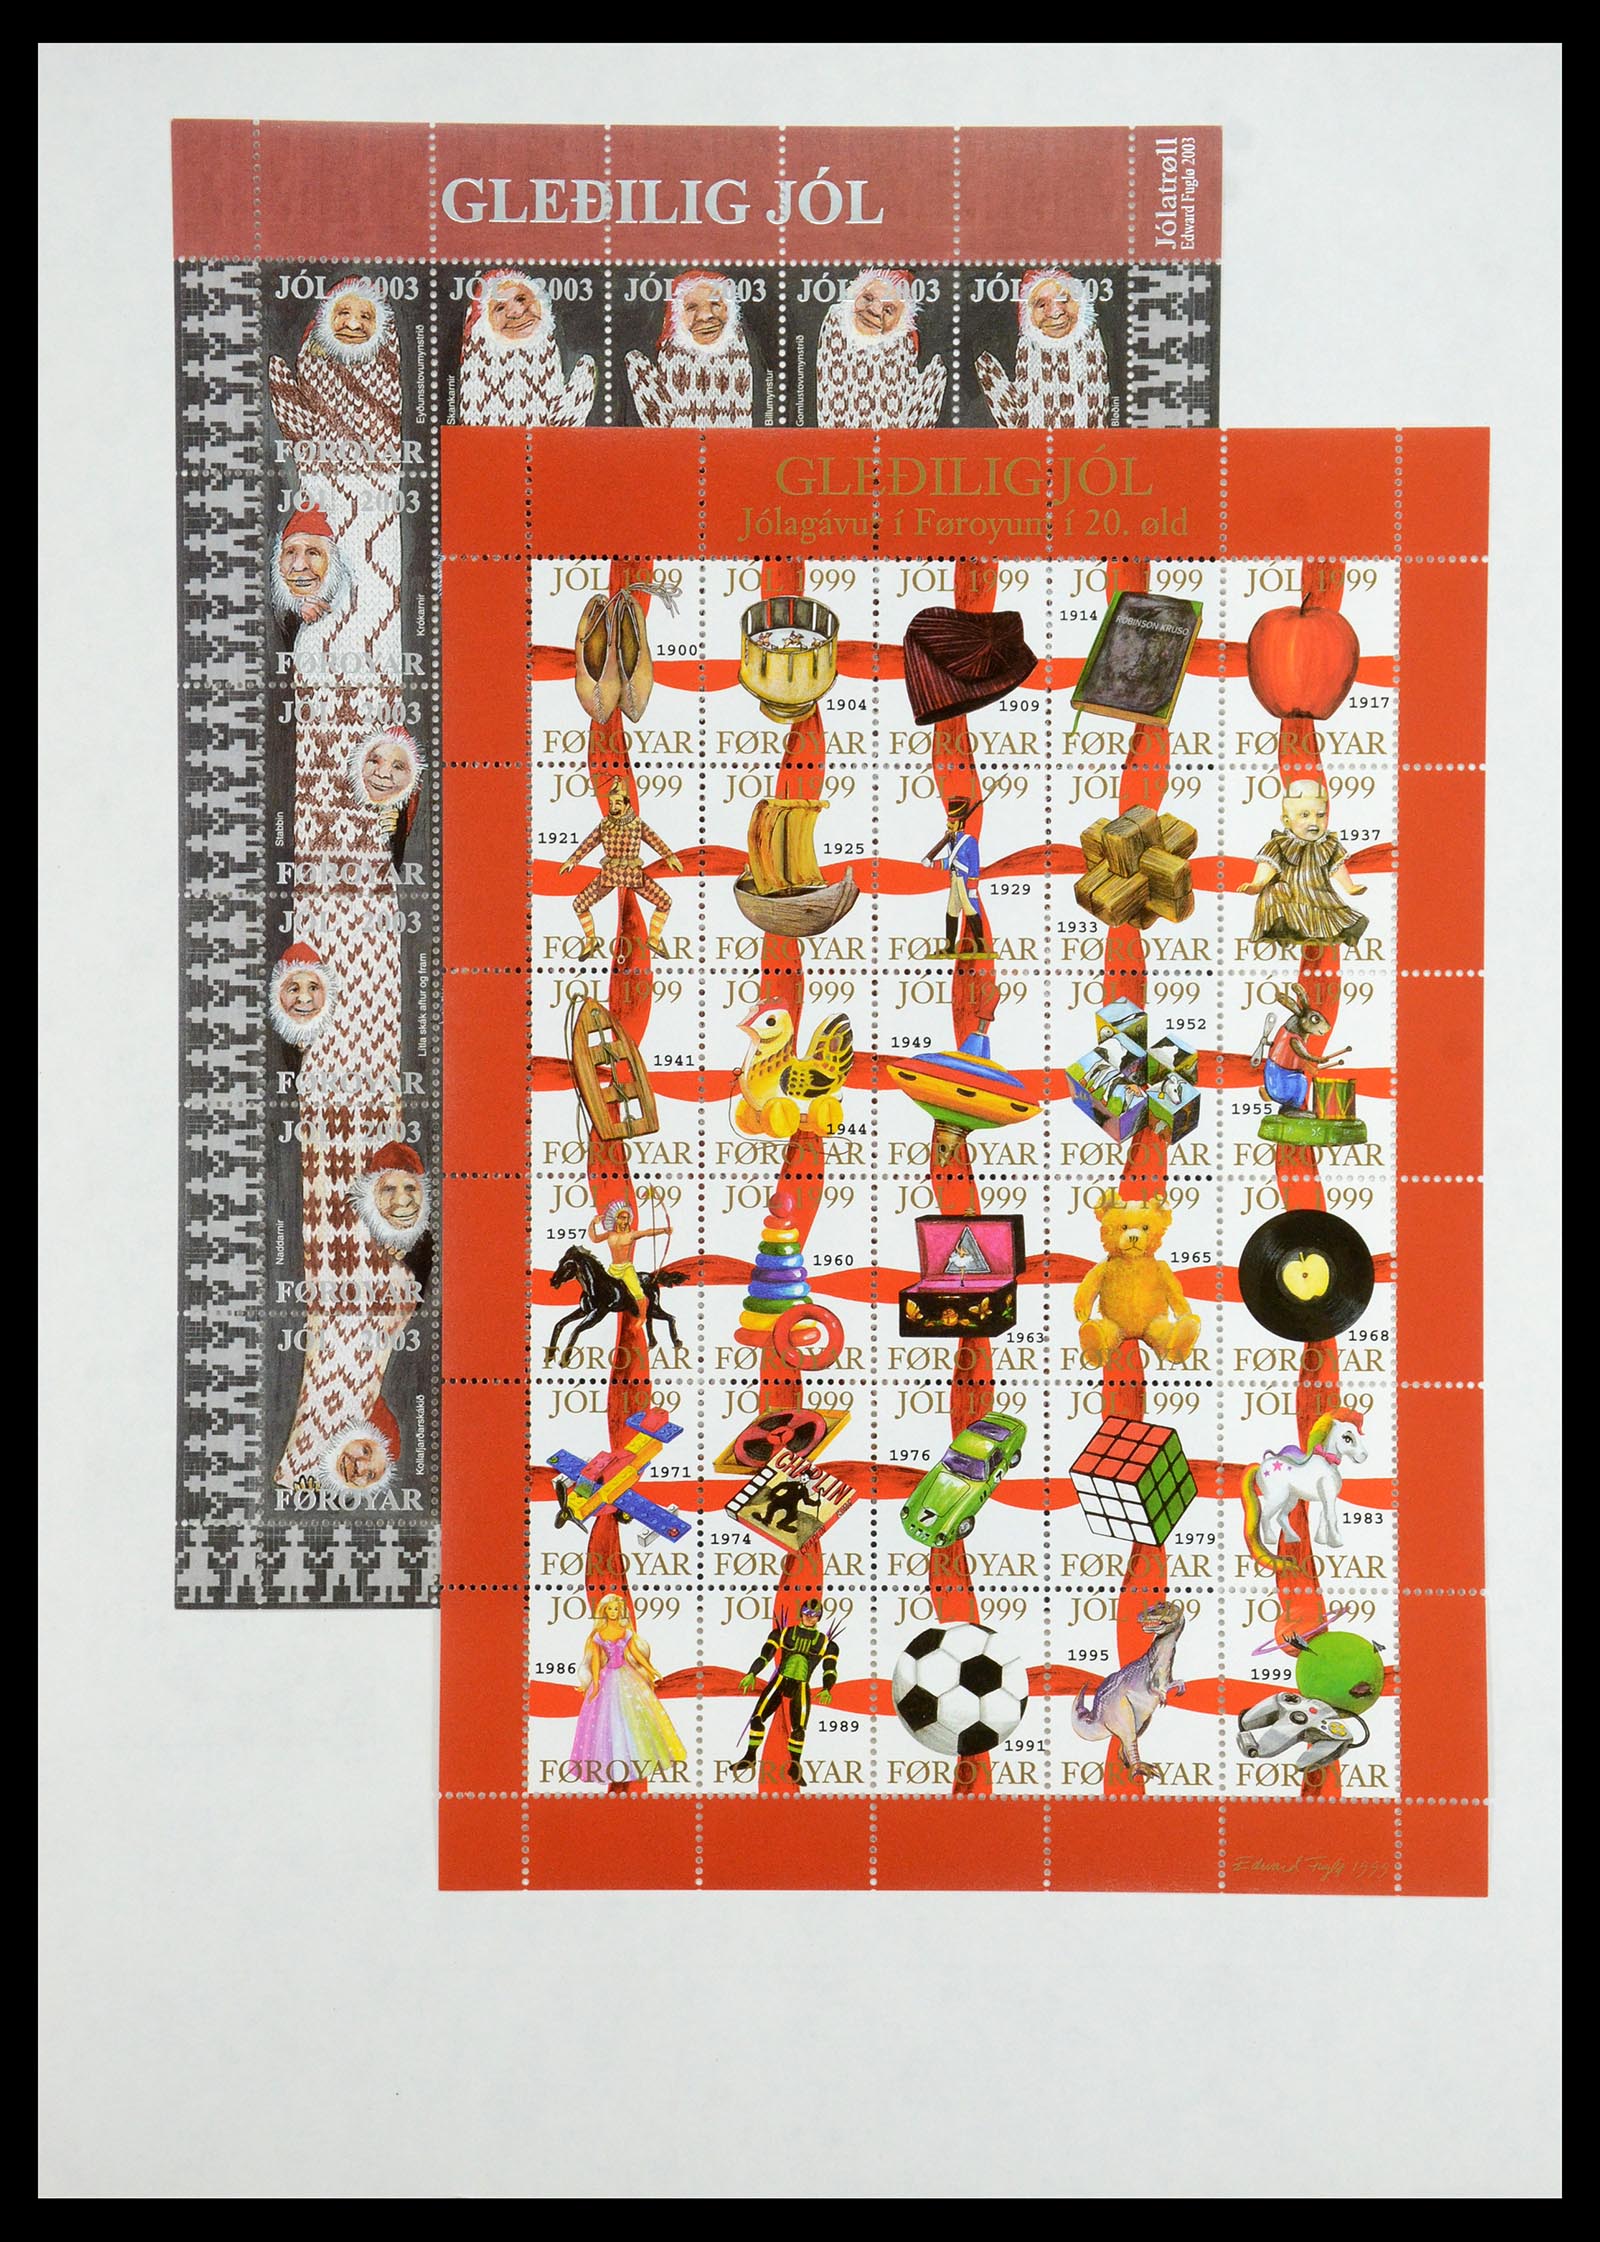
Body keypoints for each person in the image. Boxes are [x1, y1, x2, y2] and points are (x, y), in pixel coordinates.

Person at [558, 776, 684, 959]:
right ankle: (591, 941)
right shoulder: (604, 825)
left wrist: (669, 856)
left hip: (633, 875)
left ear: (626, 804)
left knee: (665, 902)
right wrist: (572, 860)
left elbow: (654, 840)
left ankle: (654, 939)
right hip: (609, 875)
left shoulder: (637, 824)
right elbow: (588, 843)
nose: (613, 806)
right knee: (579, 904)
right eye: (611, 802)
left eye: (617, 802)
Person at [571, 1592, 687, 1784]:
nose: (613, 1612)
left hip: (626, 1675)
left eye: (616, 1609)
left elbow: (635, 1653)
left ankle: (637, 1761)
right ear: (604, 1611)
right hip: (607, 1677)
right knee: (608, 1719)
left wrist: (651, 1669)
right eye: (610, 1609)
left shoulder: (625, 1632)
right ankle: (614, 1766)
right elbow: (595, 1662)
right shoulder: (598, 1635)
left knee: (635, 1716)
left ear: (621, 1611)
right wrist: (596, 1683)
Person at [457, 269, 596, 428]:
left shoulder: (549, 354)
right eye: (500, 308)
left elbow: (559, 435)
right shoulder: (478, 373)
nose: (517, 312)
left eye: (521, 299)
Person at [1241, 780, 1370, 949]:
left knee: (1331, 907)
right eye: (1305, 815)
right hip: (1288, 892)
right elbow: (1268, 866)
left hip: (1318, 893)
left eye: (1320, 815)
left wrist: (1350, 887)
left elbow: (1337, 868)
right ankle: (1284, 930)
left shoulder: (1328, 845)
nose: (1314, 822)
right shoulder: (1280, 844)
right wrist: (1257, 885)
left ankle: (1322, 931)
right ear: (1286, 821)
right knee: (1277, 893)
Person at [976, 269, 1111, 430]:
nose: (1055, 312)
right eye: (1041, 305)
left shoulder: (1096, 343)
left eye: (1064, 300)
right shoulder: (1025, 350)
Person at [814, 267, 945, 429]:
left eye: (888, 310)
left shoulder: (903, 348)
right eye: (868, 298)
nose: (874, 310)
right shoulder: (835, 322)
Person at [733, 1596, 839, 1788]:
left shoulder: (826, 1644)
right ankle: (750, 1757)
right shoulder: (784, 1634)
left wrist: (827, 1688)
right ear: (801, 1613)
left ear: (819, 1617)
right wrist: (752, 1673)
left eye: (814, 1614)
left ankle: (794, 1767)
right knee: (757, 1719)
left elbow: (829, 1669)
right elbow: (765, 1655)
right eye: (807, 1613)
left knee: (799, 1730)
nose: (810, 1617)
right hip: (780, 1681)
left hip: (801, 1686)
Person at [626, 271, 755, 428]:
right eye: (691, 307)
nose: (705, 315)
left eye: (716, 304)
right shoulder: (673, 353)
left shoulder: (742, 351)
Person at [922, 796, 984, 956]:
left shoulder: (969, 841)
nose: (949, 825)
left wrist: (972, 888)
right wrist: (932, 864)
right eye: (948, 822)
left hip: (965, 882)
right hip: (955, 879)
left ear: (960, 823)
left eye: (952, 822)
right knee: (951, 912)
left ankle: (981, 948)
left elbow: (974, 866)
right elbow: (950, 862)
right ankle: (950, 948)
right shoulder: (952, 842)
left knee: (971, 911)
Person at [587, 1196, 667, 1317]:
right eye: (623, 1218)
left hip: (626, 1269)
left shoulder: (631, 1234)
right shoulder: (610, 1234)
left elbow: (647, 1232)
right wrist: (592, 1223)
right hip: (613, 1269)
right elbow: (594, 1239)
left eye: (628, 1218)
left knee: (638, 1293)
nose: (626, 1221)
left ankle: (642, 1317)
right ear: (617, 1219)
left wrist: (664, 1230)